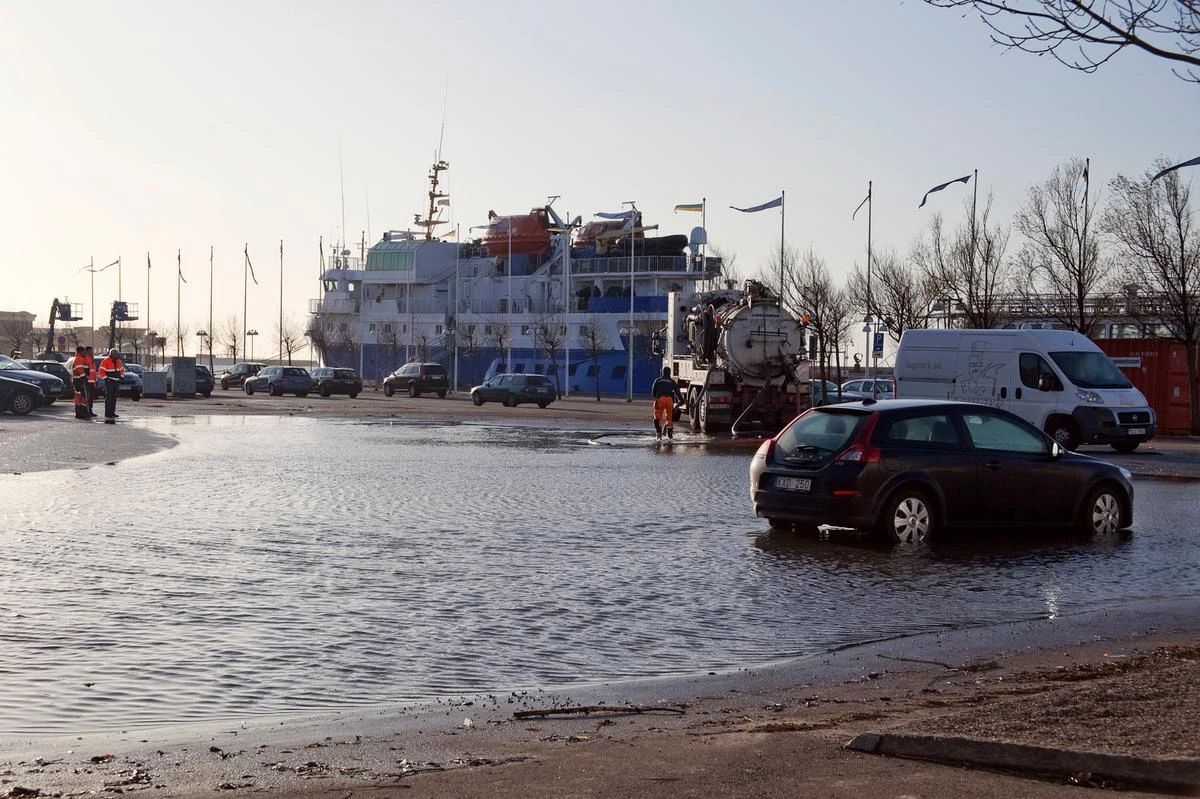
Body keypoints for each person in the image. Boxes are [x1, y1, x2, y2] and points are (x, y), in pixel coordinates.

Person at [650, 366, 683, 441]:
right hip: (670, 400)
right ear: (670, 373)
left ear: (662, 372)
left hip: (660, 399)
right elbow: (677, 392)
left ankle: (659, 433)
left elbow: (653, 392)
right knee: (669, 418)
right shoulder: (672, 381)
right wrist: (681, 400)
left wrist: (657, 396)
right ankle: (670, 435)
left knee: (657, 417)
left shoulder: (658, 380)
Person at [97, 348, 125, 423]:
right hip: (110, 381)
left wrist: (121, 377)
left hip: (116, 381)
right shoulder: (105, 361)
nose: (117, 355)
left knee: (114, 398)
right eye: (115, 354)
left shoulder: (118, 361)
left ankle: (112, 412)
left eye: (117, 353)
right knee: (109, 398)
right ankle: (108, 413)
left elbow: (122, 370)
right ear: (111, 354)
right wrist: (106, 379)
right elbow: (101, 371)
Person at [69, 345, 91, 421]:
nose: (85, 352)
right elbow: (79, 370)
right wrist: (84, 377)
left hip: (80, 379)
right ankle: (80, 412)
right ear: (81, 352)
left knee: (82, 396)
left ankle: (82, 412)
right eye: (84, 351)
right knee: (80, 396)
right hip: (79, 380)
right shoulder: (78, 359)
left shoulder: (81, 358)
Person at [83, 345, 98, 417]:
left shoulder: (91, 358)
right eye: (90, 351)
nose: (92, 352)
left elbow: (93, 371)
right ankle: (87, 411)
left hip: (91, 381)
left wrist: (95, 381)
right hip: (87, 381)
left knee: (91, 397)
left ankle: (90, 410)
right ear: (87, 351)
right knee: (87, 397)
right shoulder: (86, 358)